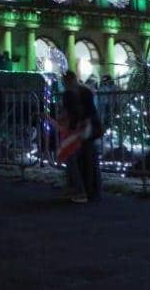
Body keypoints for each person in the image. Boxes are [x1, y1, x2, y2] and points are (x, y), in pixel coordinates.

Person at [60, 70, 101, 202]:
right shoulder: (84, 92)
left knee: (78, 161)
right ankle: (90, 191)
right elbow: (89, 112)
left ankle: (81, 190)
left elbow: (75, 113)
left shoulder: (71, 94)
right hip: (87, 129)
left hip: (81, 130)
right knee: (88, 161)